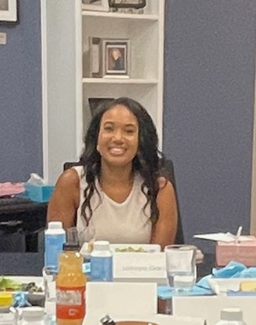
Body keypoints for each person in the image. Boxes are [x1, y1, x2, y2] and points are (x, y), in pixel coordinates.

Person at [47, 97, 179, 246]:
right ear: (96, 138)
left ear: (141, 140)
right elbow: (57, 251)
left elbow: (160, 256)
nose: (117, 138)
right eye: (109, 129)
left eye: (129, 131)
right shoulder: (72, 182)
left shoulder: (160, 189)